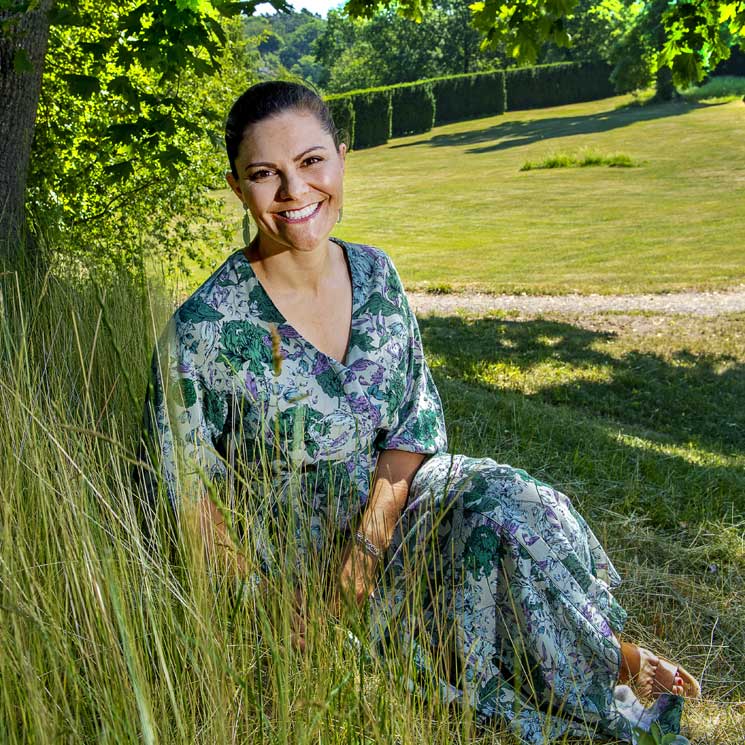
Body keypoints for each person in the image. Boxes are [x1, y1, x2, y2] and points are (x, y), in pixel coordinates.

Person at [140, 80, 700, 744]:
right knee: (406, 681)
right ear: (239, 188)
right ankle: (579, 670)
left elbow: (412, 422)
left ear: (341, 159)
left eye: (312, 161)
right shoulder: (202, 331)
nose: (294, 191)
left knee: (499, 496)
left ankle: (613, 657)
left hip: (393, 520)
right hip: (297, 578)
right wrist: (271, 609)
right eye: (266, 174)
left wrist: (369, 546)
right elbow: (186, 493)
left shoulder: (376, 275)